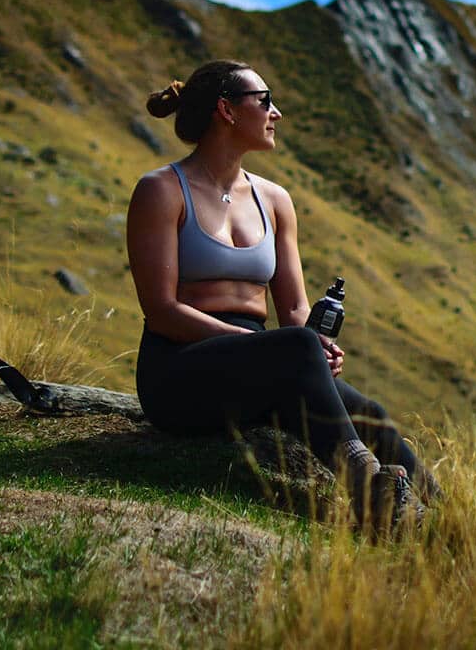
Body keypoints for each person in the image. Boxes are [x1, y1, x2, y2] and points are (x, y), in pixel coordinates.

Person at [126, 59, 435, 530]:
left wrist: (318, 347)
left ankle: (447, 516)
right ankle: (368, 488)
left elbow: (293, 309)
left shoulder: (274, 199)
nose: (277, 113)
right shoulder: (161, 191)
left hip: (268, 362)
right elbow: (163, 312)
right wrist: (278, 347)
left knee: (370, 412)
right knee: (292, 348)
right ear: (227, 111)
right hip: (179, 369)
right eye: (265, 100)